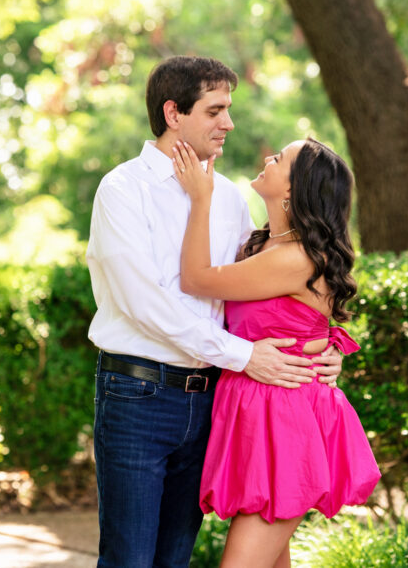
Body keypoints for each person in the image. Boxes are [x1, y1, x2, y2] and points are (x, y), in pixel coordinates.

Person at [85, 55, 343, 568]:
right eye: (215, 110)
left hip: (210, 401)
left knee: (174, 557)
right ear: (173, 113)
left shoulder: (228, 199)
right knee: (130, 559)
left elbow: (266, 298)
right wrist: (243, 355)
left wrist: (322, 352)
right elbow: (144, 304)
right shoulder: (122, 190)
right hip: (138, 394)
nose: (229, 123)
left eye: (228, 109)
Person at [171, 136, 381, 568]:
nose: (268, 158)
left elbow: (194, 280)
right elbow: (297, 319)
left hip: (288, 423)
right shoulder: (262, 244)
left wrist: (200, 199)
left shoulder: (297, 257)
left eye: (280, 158)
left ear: (293, 188)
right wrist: (331, 344)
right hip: (259, 417)